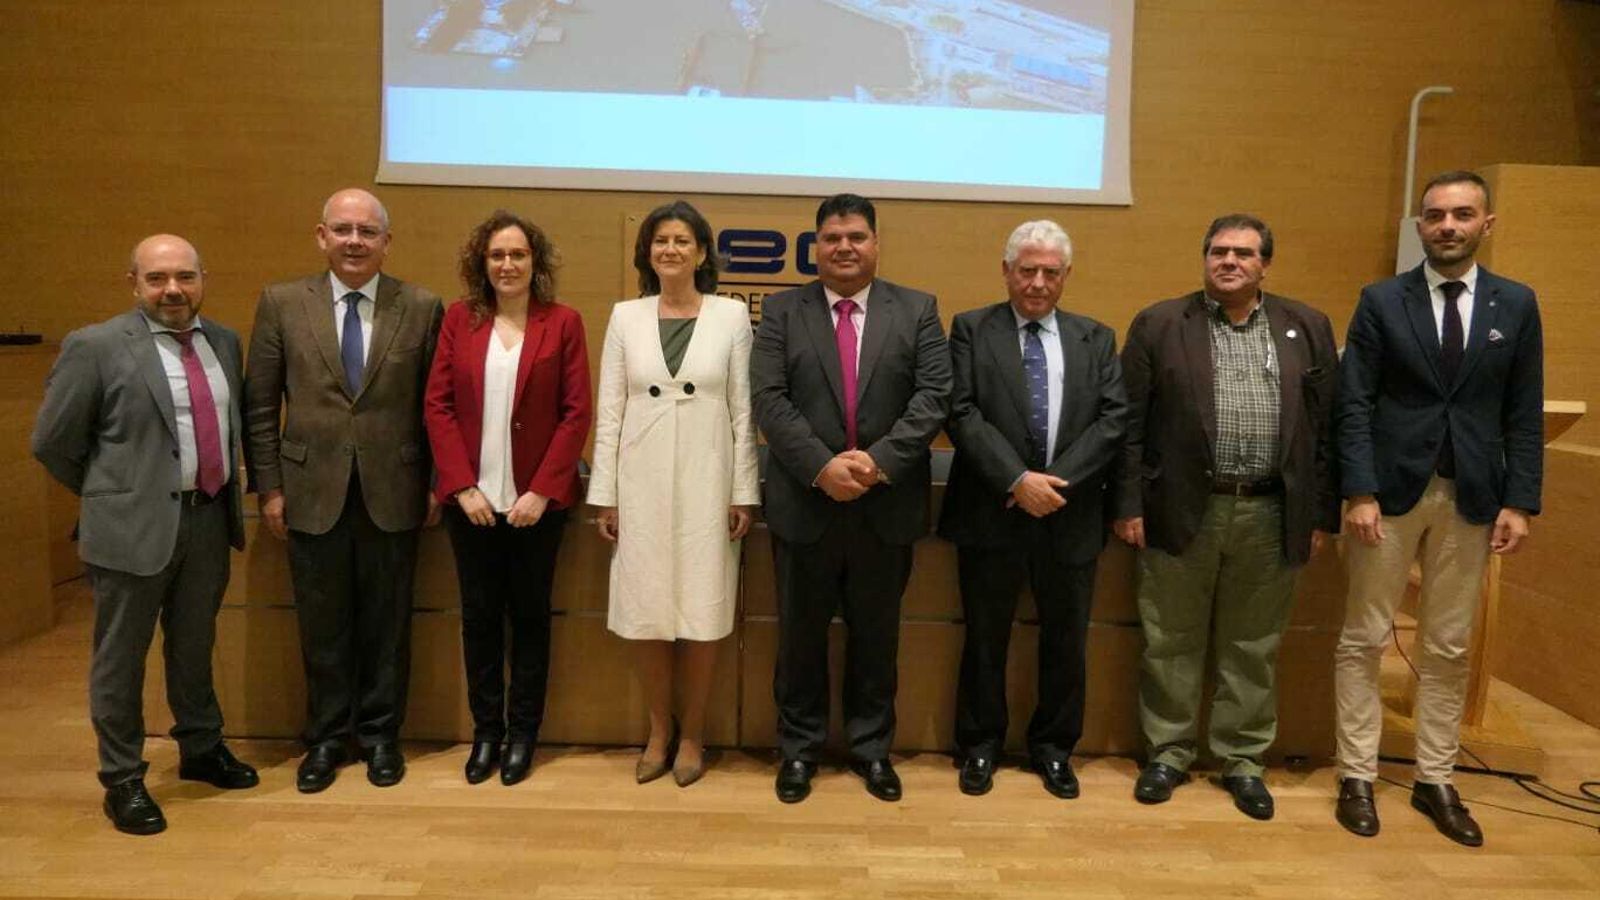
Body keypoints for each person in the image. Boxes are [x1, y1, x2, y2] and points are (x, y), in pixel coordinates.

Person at [1333, 171, 1543, 847]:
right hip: (1388, 497)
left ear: (1487, 223)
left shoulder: (1516, 304)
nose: (1447, 225)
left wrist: (1520, 501)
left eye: (1462, 214)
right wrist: (1358, 490)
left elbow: (1523, 410)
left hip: (1472, 495)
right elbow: (1354, 402)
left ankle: (1435, 778)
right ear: (1419, 226)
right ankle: (1357, 774)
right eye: (1435, 215)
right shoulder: (1381, 300)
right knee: (1365, 637)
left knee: (1449, 645)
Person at [1111, 214, 1339, 821]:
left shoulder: (1306, 327)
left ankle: (1242, 760)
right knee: (1170, 638)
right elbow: (1128, 425)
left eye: (1243, 252)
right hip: (1182, 507)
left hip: (1271, 512)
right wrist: (1128, 505)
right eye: (1218, 251)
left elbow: (1326, 431)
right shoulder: (1161, 324)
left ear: (1266, 264)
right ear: (1204, 258)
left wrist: (1320, 513)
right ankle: (1168, 753)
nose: (1229, 261)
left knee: (1253, 644)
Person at [33, 235, 257, 835]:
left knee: (194, 645)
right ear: (133, 282)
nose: (173, 290)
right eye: (157, 278)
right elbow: (52, 442)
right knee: (121, 657)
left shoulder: (224, 342)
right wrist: (113, 493)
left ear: (203, 279)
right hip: (129, 530)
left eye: (185, 276)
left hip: (207, 519)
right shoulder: (96, 346)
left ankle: (201, 748)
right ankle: (123, 777)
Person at [751, 193, 952, 803]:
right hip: (804, 503)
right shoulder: (781, 311)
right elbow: (769, 399)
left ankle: (872, 751)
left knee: (877, 637)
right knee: (799, 638)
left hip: (884, 506)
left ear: (876, 244)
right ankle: (798, 750)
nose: (845, 247)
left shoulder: (917, 309)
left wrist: (878, 463)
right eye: (833, 237)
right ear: (815, 246)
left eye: (857, 236)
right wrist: (822, 467)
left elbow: (933, 397)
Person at [244, 188, 444, 793]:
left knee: (388, 624)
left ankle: (381, 736)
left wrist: (437, 482)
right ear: (321, 236)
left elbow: (437, 406)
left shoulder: (422, 306)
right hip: (309, 491)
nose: (355, 241)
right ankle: (327, 738)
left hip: (395, 489)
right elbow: (260, 406)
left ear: (387, 242)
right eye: (343, 229)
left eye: (367, 231)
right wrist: (269, 488)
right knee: (321, 624)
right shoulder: (282, 303)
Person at [939, 220, 1127, 798]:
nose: (1038, 283)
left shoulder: (1096, 337)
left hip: (1069, 514)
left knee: (1066, 642)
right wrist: (1018, 480)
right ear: (1006, 271)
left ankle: (1054, 749)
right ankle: (979, 746)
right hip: (991, 511)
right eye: (1027, 270)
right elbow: (961, 411)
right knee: (985, 638)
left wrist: (1053, 484)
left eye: (1050, 272)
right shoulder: (971, 329)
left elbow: (1113, 419)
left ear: (1066, 275)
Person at [587, 200, 760, 788]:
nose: (671, 249)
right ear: (647, 252)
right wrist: (606, 495)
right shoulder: (625, 317)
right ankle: (659, 730)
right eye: (661, 240)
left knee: (703, 610)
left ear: (702, 252)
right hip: (640, 482)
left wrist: (743, 492)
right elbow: (610, 411)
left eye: (683, 240)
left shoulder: (731, 316)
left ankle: (694, 734)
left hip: (709, 480)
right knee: (647, 613)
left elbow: (743, 410)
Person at [424, 210, 592, 786]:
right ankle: (485, 734)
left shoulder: (563, 323)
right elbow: (438, 406)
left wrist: (542, 490)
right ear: (483, 263)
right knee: (478, 621)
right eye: (497, 254)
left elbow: (575, 413)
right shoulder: (459, 320)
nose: (508, 264)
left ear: (534, 262)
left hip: (535, 509)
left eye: (518, 254)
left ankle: (523, 735)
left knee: (530, 619)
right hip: (470, 505)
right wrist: (460, 484)